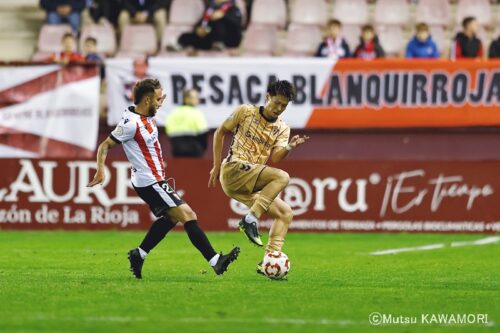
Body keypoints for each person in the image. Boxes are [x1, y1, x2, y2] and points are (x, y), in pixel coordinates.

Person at [88, 78, 240, 279]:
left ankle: (139, 254)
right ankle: (215, 261)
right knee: (188, 215)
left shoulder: (145, 115)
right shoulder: (131, 123)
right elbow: (104, 146)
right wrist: (100, 170)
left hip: (154, 178)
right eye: (158, 99)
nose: (161, 103)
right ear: (147, 100)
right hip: (149, 181)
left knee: (171, 217)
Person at [209, 80, 309, 276]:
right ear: (267, 97)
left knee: (285, 213)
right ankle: (250, 219)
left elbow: (276, 157)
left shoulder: (282, 128)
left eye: (284, 105)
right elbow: (219, 132)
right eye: (276, 103)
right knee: (282, 177)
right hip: (234, 168)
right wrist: (215, 165)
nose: (279, 109)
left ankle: (270, 260)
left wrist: (290, 147)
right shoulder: (245, 111)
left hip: (249, 182)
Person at [174, 0, 242, 52]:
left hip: (228, 39)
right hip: (210, 38)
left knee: (219, 23)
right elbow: (203, 21)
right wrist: (198, 29)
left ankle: (219, 44)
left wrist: (224, 16)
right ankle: (179, 46)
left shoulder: (233, 7)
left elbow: (236, 25)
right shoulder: (210, 8)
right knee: (185, 36)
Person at [165, 89, 209, 158]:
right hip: (195, 152)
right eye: (196, 97)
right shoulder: (196, 113)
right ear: (186, 99)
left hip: (177, 151)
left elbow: (169, 132)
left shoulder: (173, 113)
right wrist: (202, 150)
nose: (198, 100)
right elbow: (203, 133)